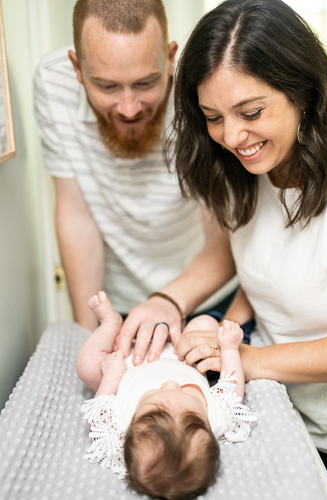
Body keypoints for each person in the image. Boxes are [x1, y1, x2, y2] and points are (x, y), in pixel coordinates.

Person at [121, 1, 327, 498]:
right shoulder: (242, 163)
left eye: (251, 112)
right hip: (280, 407)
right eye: (213, 116)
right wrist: (204, 317)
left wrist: (248, 360)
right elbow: (262, 257)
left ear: (304, 90)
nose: (232, 136)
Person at [34, 0, 237, 334]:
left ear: (171, 59)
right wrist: (88, 333)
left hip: (206, 297)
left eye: (145, 83)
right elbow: (75, 215)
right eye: (107, 86)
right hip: (118, 306)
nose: (129, 108)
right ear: (77, 68)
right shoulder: (53, 85)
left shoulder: (201, 88)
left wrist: (170, 302)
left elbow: (224, 234)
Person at [76, 291, 256, 499]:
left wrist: (112, 375)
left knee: (87, 365)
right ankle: (181, 327)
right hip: (184, 354)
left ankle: (109, 323)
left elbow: (100, 410)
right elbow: (232, 389)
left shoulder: (118, 427)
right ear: (209, 430)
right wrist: (230, 348)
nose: (170, 384)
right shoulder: (215, 418)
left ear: (125, 437)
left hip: (126, 361)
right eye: (185, 392)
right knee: (205, 323)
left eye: (156, 394)